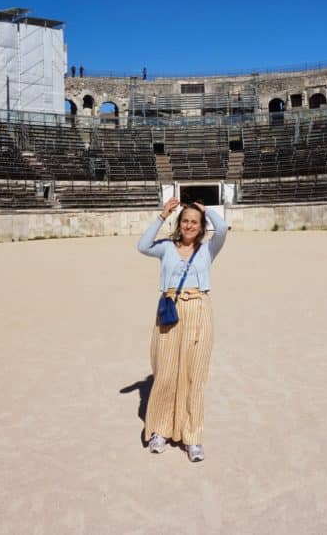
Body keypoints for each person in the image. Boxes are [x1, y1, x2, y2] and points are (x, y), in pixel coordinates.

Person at [136, 198, 228, 462]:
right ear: (180, 223)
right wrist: (162, 215)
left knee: (194, 376)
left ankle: (192, 437)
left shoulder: (208, 249)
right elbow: (142, 246)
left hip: (198, 309)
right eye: (185, 220)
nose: (189, 225)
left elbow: (222, 229)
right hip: (170, 310)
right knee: (165, 373)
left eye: (194, 222)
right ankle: (160, 431)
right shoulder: (166, 247)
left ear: (200, 227)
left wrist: (204, 209)